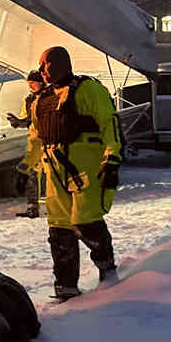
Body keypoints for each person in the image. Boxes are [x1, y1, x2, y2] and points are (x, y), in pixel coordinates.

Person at [29, 46, 122, 300]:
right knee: (59, 229)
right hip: (54, 171)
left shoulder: (89, 90)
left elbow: (109, 123)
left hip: (85, 169)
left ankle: (108, 270)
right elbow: (36, 138)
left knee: (86, 220)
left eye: (45, 64)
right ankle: (66, 286)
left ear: (62, 63)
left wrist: (112, 158)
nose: (41, 70)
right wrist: (25, 168)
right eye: (40, 64)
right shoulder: (41, 101)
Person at [8, 70, 46, 218]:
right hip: (34, 142)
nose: (30, 86)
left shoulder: (50, 96)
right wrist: (17, 122)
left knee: (54, 176)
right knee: (32, 175)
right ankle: (32, 208)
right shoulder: (29, 99)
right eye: (29, 83)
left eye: (33, 83)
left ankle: (61, 209)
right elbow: (27, 119)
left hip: (48, 142)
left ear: (41, 82)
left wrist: (22, 122)